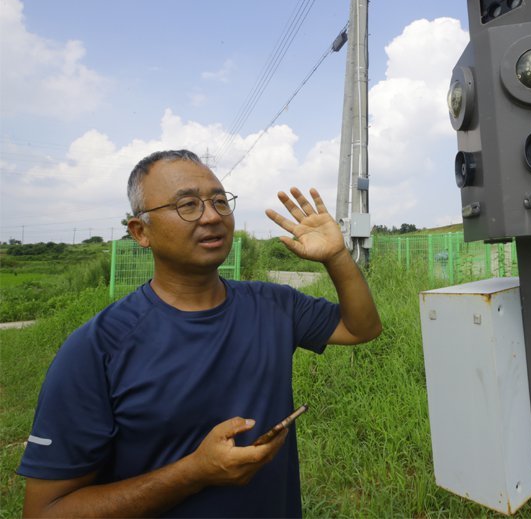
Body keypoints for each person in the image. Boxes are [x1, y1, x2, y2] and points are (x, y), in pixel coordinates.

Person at [17, 149, 382, 518]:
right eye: (187, 205)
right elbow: (46, 510)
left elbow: (361, 327)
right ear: (141, 232)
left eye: (220, 201)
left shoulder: (273, 306)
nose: (211, 216)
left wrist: (337, 255)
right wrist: (193, 473)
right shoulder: (98, 348)